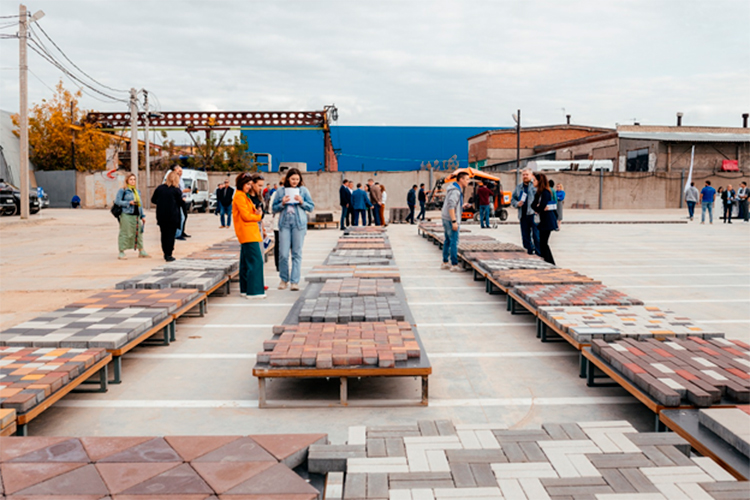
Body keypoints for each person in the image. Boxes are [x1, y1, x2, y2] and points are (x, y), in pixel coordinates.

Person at [272, 168, 315, 291]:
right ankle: (283, 279)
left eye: (297, 179)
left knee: (297, 253)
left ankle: (294, 281)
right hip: (285, 223)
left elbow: (311, 207)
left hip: (298, 224)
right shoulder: (280, 191)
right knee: (283, 254)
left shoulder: (303, 190)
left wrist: (302, 202)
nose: (295, 181)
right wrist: (282, 203)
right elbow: (273, 209)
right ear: (288, 179)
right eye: (293, 179)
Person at [233, 172, 265, 299]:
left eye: (251, 184)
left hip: (248, 232)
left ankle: (245, 288)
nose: (249, 187)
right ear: (241, 184)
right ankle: (254, 291)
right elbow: (246, 216)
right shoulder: (240, 196)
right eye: (247, 184)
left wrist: (256, 212)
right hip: (248, 232)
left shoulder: (243, 195)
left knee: (246, 262)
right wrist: (258, 216)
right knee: (256, 261)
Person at [115, 173, 149, 260]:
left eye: (134, 179)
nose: (133, 181)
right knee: (125, 233)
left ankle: (141, 250)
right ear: (127, 180)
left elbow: (140, 204)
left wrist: (142, 216)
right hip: (126, 214)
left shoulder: (136, 191)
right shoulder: (123, 190)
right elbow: (117, 201)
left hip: (136, 215)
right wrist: (128, 203)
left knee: (138, 233)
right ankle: (121, 251)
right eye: (131, 179)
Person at [151, 171, 184, 261]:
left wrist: (161, 203)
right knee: (171, 235)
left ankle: (165, 252)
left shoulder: (160, 188)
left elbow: (153, 200)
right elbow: (180, 203)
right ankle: (169, 253)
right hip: (173, 216)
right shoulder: (176, 190)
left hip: (161, 215)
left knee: (164, 234)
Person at [441, 172, 470, 271]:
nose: (468, 181)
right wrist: (454, 221)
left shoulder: (452, 188)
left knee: (448, 240)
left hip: (446, 217)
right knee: (454, 241)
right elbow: (451, 205)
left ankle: (445, 262)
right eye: (467, 179)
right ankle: (454, 265)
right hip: (450, 219)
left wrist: (461, 206)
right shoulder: (456, 191)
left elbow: (453, 204)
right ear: (461, 179)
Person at [511, 168, 540, 255]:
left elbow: (541, 198)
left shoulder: (535, 186)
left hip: (533, 214)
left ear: (531, 175)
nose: (525, 176)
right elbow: (513, 199)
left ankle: (538, 253)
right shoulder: (519, 187)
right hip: (523, 215)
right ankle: (528, 252)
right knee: (525, 236)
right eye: (523, 175)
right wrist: (517, 203)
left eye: (527, 174)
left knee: (536, 236)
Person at [531, 172, 558, 265]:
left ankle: (550, 263)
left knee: (543, 243)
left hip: (547, 221)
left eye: (534, 180)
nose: (532, 182)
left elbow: (541, 206)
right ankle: (547, 261)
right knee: (541, 243)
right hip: (542, 221)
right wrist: (538, 208)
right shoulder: (538, 193)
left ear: (539, 181)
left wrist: (539, 208)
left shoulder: (546, 192)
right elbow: (533, 205)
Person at [168, 165, 191, 240]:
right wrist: (183, 191)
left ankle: (181, 231)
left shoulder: (181, 179)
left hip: (182, 199)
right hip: (177, 200)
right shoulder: (172, 179)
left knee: (184, 216)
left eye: (181, 171)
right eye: (179, 171)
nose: (181, 173)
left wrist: (185, 195)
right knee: (180, 217)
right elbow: (174, 191)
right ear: (175, 170)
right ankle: (177, 233)